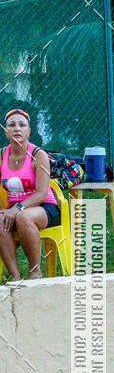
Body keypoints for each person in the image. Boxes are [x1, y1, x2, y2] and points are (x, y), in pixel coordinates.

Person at [0, 109, 59, 281]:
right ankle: (15, 276)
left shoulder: (38, 155)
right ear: (5, 131)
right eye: (12, 125)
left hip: (43, 207)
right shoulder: (1, 155)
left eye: (22, 125)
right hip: (15, 207)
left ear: (29, 131)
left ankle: (35, 272)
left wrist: (17, 209)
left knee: (24, 217)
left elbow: (41, 193)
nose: (17, 129)